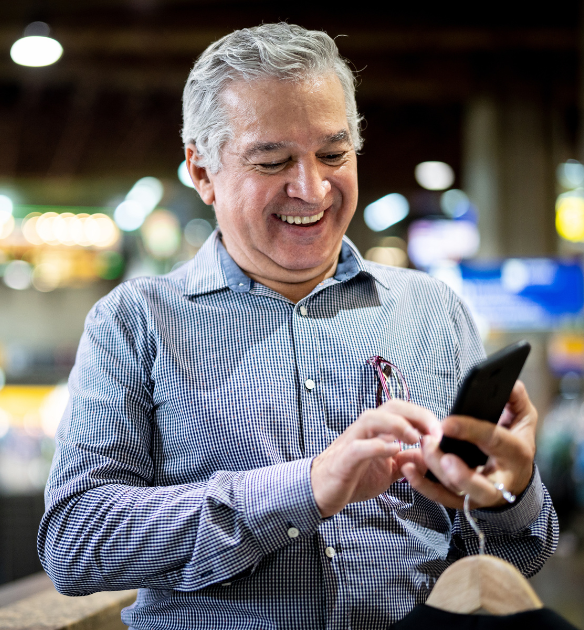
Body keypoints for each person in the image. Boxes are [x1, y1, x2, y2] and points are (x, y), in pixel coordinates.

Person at [38, 23, 558, 630]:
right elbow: (75, 541)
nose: (311, 188)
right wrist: (305, 487)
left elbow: (521, 554)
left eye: (333, 155)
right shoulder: (137, 322)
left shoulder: (434, 311)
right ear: (202, 171)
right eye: (273, 160)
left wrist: (510, 495)